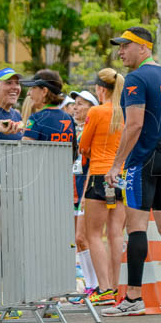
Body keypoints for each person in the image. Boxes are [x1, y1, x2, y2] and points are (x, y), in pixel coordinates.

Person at [103, 27, 161, 316]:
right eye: (120, 47)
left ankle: (133, 298)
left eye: (126, 46)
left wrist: (117, 164)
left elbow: (135, 124)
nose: (120, 52)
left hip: (144, 159)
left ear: (144, 48)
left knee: (135, 226)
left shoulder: (136, 78)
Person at [78, 68, 126, 307]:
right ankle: (116, 287)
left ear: (100, 89)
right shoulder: (125, 111)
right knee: (116, 233)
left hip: (99, 174)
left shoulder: (96, 111)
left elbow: (83, 144)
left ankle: (104, 288)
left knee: (93, 234)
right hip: (122, 175)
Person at [69, 89, 99, 297]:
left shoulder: (94, 130)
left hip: (88, 188)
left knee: (83, 237)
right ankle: (91, 284)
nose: (76, 107)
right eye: (75, 103)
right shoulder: (73, 129)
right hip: (72, 189)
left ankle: (96, 284)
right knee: (77, 239)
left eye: (81, 103)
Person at [21, 69, 76, 144]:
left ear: (44, 91)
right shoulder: (69, 118)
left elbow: (24, 151)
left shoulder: (35, 118)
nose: (28, 93)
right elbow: (74, 151)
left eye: (33, 88)